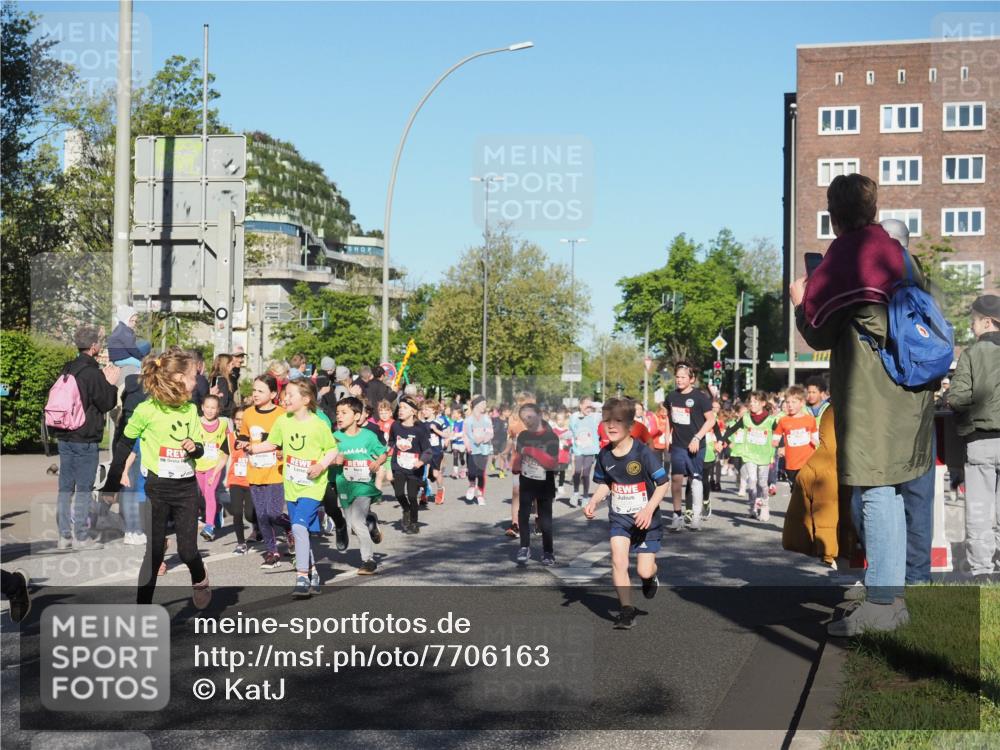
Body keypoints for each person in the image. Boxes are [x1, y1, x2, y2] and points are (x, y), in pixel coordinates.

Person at [793, 173, 934, 635]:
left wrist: (800, 300)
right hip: (907, 389)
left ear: (835, 216)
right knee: (889, 490)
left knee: (875, 491)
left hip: (871, 391)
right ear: (874, 210)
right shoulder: (898, 255)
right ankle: (887, 593)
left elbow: (818, 330)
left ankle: (883, 604)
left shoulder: (847, 255)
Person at [112, 347, 211, 608]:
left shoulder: (190, 410)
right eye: (193, 376)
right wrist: (113, 478)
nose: (197, 381)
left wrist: (194, 446)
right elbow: (124, 443)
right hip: (155, 488)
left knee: (188, 551)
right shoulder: (147, 410)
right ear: (178, 378)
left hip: (186, 489)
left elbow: (200, 449)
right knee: (154, 554)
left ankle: (200, 579)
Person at [583, 397, 671, 630]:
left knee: (643, 569)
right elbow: (605, 483)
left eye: (618, 421)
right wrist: (594, 500)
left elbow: (663, 483)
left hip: (646, 520)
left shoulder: (643, 454)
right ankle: (626, 610)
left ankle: (651, 576)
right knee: (618, 560)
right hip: (620, 518)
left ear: (631, 426)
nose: (611, 426)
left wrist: (649, 508)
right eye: (607, 421)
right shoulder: (604, 455)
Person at [250, 379, 339, 597]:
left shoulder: (318, 424)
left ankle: (301, 577)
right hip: (292, 485)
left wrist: (320, 465)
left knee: (298, 527)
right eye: (285, 394)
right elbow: (273, 443)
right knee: (302, 532)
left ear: (306, 399)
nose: (285, 398)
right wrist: (253, 449)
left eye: (290, 395)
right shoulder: (283, 421)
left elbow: (331, 449)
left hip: (312, 486)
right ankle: (313, 572)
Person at [947, 294, 1000, 582]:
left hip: (980, 442)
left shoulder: (970, 354)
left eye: (974, 322)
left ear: (987, 321)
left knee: (979, 511)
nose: (971, 327)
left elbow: (957, 398)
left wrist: (960, 413)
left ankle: (982, 571)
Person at [53, 325, 120, 550]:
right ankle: (81, 536)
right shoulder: (92, 373)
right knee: (83, 488)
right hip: (85, 438)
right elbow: (106, 403)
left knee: (65, 488)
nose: (101, 347)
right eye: (100, 343)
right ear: (93, 347)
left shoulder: (68, 368)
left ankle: (64, 537)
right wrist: (110, 384)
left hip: (64, 435)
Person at [238, 375, 292, 569]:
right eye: (254, 390)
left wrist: (280, 451)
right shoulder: (248, 414)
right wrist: (242, 442)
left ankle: (288, 526)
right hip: (255, 471)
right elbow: (243, 435)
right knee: (261, 515)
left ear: (273, 394)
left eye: (260, 391)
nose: (255, 394)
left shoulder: (282, 414)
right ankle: (272, 551)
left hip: (275, 472)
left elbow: (287, 440)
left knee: (274, 513)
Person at [331, 397, 388, 574]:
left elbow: (383, 453)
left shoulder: (368, 436)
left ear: (357, 416)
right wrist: (334, 460)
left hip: (364, 485)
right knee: (351, 522)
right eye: (338, 413)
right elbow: (325, 458)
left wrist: (378, 462)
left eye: (344, 413)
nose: (339, 416)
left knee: (356, 522)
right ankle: (370, 520)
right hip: (344, 485)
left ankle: (368, 561)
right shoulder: (335, 438)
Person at [665, 364, 715, 532]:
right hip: (678, 445)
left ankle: (695, 515)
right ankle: (677, 515)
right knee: (676, 479)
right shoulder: (671, 396)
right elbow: (668, 418)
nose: (679, 380)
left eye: (683, 377)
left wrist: (697, 437)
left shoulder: (700, 397)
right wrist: (667, 436)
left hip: (696, 445)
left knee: (695, 478)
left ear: (691, 379)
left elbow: (711, 420)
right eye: (677, 377)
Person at [512, 403, 560, 565]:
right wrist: (516, 465)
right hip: (526, 481)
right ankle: (524, 546)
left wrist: (532, 451)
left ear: (539, 415)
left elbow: (552, 463)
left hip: (545, 484)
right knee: (523, 515)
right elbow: (518, 455)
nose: (527, 421)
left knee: (545, 520)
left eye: (530, 417)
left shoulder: (551, 437)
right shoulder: (523, 436)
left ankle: (548, 552)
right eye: (524, 419)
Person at [724, 391, 778, 522]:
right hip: (749, 454)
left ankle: (765, 504)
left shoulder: (771, 420)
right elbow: (731, 429)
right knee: (752, 480)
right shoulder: (746, 418)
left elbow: (779, 434)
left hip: (764, 456)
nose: (752, 404)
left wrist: (780, 446)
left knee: (762, 482)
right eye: (751, 402)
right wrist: (724, 440)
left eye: (755, 402)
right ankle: (753, 507)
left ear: (763, 404)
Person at [389, 397, 432, 534]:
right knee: (399, 493)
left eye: (404, 408)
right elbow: (391, 442)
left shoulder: (420, 429)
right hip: (399, 466)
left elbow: (428, 451)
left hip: (414, 469)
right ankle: (406, 509)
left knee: (413, 497)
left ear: (413, 411)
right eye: (400, 407)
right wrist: (387, 451)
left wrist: (420, 462)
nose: (400, 410)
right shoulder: (395, 426)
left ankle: (414, 522)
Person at [194, 395, 230, 541]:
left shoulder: (222, 424)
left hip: (214, 465)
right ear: (202, 407)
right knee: (204, 494)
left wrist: (216, 472)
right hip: (198, 465)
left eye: (213, 408)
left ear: (218, 410)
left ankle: (209, 527)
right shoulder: (195, 422)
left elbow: (226, 450)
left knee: (209, 493)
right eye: (207, 407)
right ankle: (218, 508)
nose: (209, 410)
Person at [772, 385, 819, 489]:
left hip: (808, 462)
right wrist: (779, 446)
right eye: (788, 402)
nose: (790, 405)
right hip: (791, 464)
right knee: (795, 491)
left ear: (802, 403)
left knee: (807, 490)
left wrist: (815, 441)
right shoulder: (783, 420)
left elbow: (816, 438)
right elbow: (776, 436)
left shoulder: (810, 420)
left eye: (793, 402)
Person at [226, 406, 257, 554]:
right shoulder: (230, 437)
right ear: (233, 420)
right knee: (237, 512)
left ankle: (257, 527)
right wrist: (214, 475)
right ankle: (241, 543)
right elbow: (222, 457)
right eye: (237, 419)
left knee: (249, 514)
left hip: (251, 481)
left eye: (243, 419)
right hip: (235, 481)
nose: (240, 422)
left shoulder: (254, 437)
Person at [569, 397, 602, 508]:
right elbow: (571, 431)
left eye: (590, 407)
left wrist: (592, 404)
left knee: (586, 474)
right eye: (586, 406)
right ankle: (575, 493)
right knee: (577, 471)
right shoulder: (574, 417)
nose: (589, 409)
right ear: (580, 405)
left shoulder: (594, 417)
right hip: (578, 449)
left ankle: (585, 496)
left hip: (590, 450)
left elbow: (605, 407)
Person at [464, 396, 494, 506]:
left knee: (481, 473)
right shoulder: (468, 420)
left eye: (485, 404)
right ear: (476, 405)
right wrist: (468, 445)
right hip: (472, 449)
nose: (485, 406)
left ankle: (480, 495)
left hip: (483, 450)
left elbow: (490, 433)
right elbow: (465, 435)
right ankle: (472, 485)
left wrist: (483, 438)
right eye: (483, 404)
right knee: (472, 472)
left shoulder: (486, 419)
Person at [107, 305, 145, 369]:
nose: (134, 323)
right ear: (126, 319)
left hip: (117, 358)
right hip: (121, 358)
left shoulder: (120, 328)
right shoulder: (125, 330)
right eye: (132, 321)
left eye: (135, 321)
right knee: (144, 366)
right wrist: (143, 358)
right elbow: (131, 348)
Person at [450, 407, 467, 479]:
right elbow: (453, 431)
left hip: (462, 443)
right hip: (455, 442)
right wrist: (451, 436)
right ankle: (455, 472)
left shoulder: (464, 422)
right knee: (455, 456)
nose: (453, 414)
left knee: (461, 457)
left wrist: (456, 435)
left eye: (455, 413)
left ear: (459, 414)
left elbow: (463, 433)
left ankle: (463, 469)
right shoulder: (454, 422)